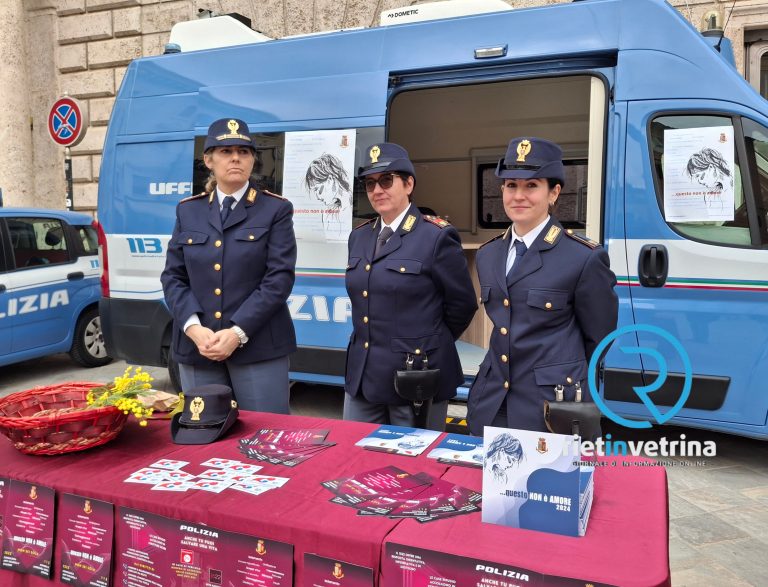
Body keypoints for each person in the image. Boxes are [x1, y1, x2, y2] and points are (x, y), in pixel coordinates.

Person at [467, 137, 618, 435]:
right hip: (493, 399)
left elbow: (599, 337)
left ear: (554, 193)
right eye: (511, 185)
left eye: (531, 185)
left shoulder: (582, 257)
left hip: (550, 406)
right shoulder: (489, 254)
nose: (518, 195)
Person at [161, 118, 297, 413]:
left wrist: (237, 333)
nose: (236, 157)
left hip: (258, 348)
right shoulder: (188, 211)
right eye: (225, 151)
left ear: (252, 160)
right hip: (200, 348)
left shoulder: (275, 209)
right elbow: (173, 277)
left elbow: (279, 278)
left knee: (265, 439)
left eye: (243, 151)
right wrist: (193, 328)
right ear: (208, 160)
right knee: (205, 436)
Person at [344, 142, 477, 430]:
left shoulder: (436, 236)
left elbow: (462, 304)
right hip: (364, 374)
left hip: (415, 376)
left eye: (386, 180)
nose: (377, 190)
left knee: (414, 468)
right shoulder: (360, 236)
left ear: (408, 184)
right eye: (370, 183)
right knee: (356, 458)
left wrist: (426, 342)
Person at [304, 153, 352, 238]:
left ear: (330, 180)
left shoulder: (353, 207)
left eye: (318, 189)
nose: (318, 197)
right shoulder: (327, 214)